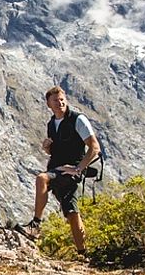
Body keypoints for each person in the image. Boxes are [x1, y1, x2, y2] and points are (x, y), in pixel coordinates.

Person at [32, 86, 100, 249]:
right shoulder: (51, 124)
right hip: (58, 169)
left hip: (69, 171)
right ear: (48, 104)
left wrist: (78, 168)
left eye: (62, 99)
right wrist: (48, 148)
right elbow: (57, 151)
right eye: (55, 100)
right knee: (72, 213)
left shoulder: (78, 119)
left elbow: (95, 148)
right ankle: (83, 253)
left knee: (42, 179)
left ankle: (35, 224)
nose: (59, 102)